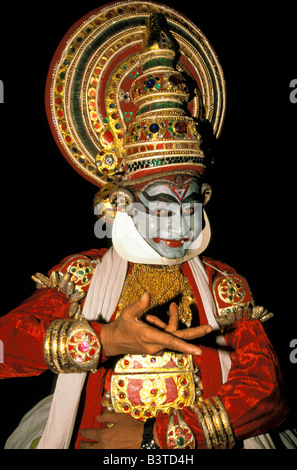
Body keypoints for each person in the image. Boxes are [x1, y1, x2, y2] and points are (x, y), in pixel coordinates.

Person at [1, 1, 295, 450]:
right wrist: (105, 339)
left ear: (207, 201)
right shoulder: (83, 275)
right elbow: (4, 349)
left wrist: (153, 437)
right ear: (121, 204)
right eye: (159, 208)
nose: (178, 225)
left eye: (190, 205)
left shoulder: (222, 284)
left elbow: (266, 393)